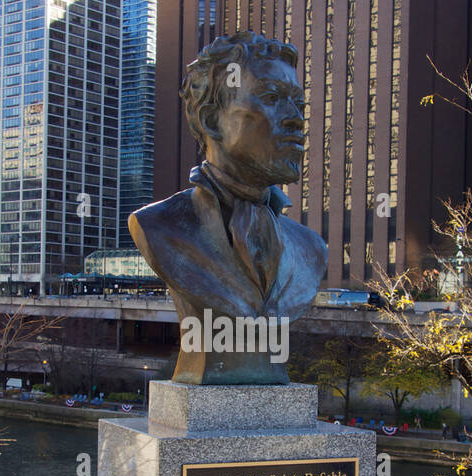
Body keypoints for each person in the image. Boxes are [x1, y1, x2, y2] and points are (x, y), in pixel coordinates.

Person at [128, 33, 327, 385]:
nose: (296, 119)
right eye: (271, 98)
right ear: (210, 119)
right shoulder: (159, 227)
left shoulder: (311, 249)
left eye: (297, 103)